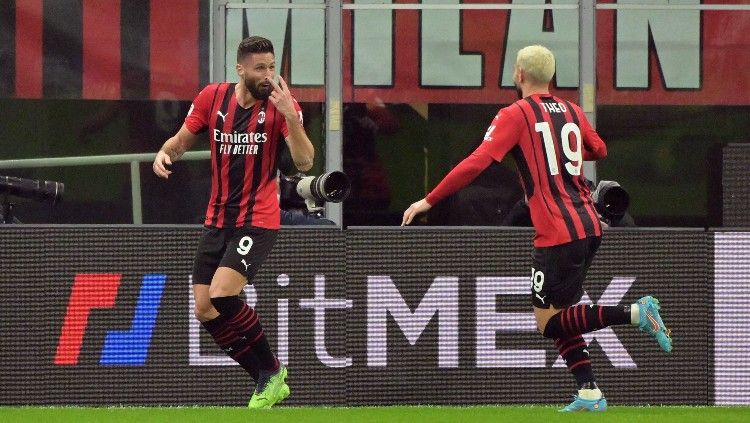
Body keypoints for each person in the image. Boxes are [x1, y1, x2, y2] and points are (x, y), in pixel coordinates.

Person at [402, 45, 672, 412]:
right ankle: (590, 392)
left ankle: (637, 314)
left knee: (549, 322)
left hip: (558, 230)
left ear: (518, 74)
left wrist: (428, 201)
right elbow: (599, 149)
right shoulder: (573, 111)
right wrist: (560, 156)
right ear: (552, 76)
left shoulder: (515, 114)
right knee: (562, 311)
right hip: (589, 223)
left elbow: (476, 163)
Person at [152, 36, 314, 409]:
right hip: (217, 217)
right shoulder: (212, 97)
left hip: (257, 219)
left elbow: (305, 163)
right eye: (260, 68)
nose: (269, 76)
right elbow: (180, 141)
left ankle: (272, 371)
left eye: (272, 67)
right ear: (240, 69)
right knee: (204, 308)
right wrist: (165, 153)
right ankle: (264, 377)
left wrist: (290, 114)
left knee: (223, 294)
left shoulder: (282, 107)